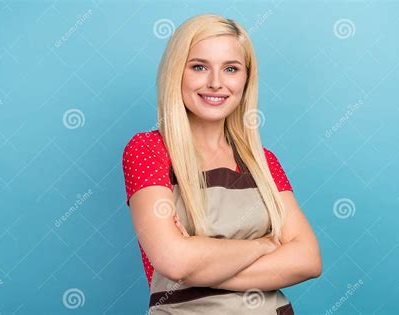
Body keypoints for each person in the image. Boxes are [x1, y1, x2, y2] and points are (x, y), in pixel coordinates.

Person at [122, 13, 322, 314]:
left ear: (245, 78)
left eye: (231, 69)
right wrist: (266, 245)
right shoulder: (148, 150)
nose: (216, 83)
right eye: (199, 67)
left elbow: (308, 259)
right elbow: (175, 261)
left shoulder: (263, 162)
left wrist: (200, 263)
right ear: (177, 72)